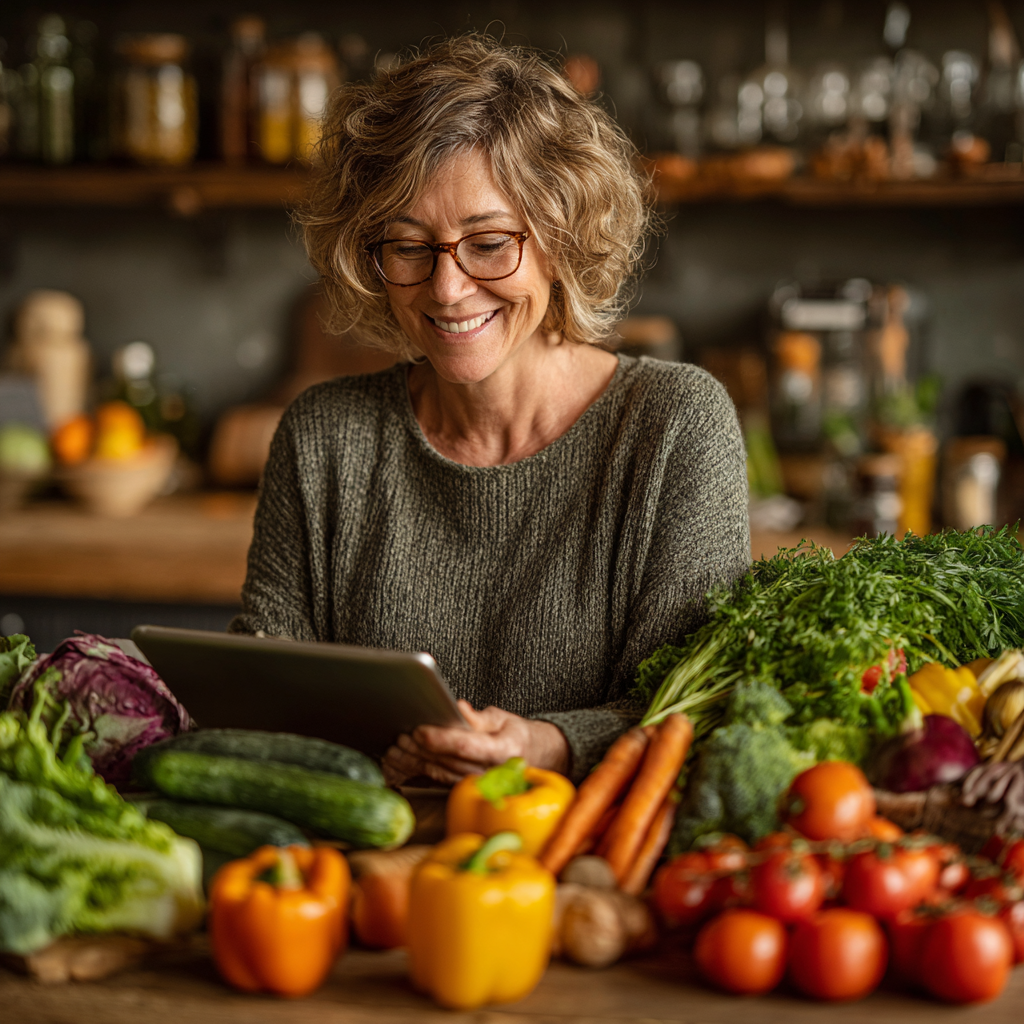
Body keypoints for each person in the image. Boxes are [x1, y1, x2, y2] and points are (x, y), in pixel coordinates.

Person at [231, 35, 750, 785]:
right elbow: (259, 690)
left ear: (560, 237)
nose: (447, 289)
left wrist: (546, 746)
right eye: (408, 246)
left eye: (488, 242)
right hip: (361, 873)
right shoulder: (325, 437)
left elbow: (697, 709)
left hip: (588, 876)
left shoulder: (672, 425)